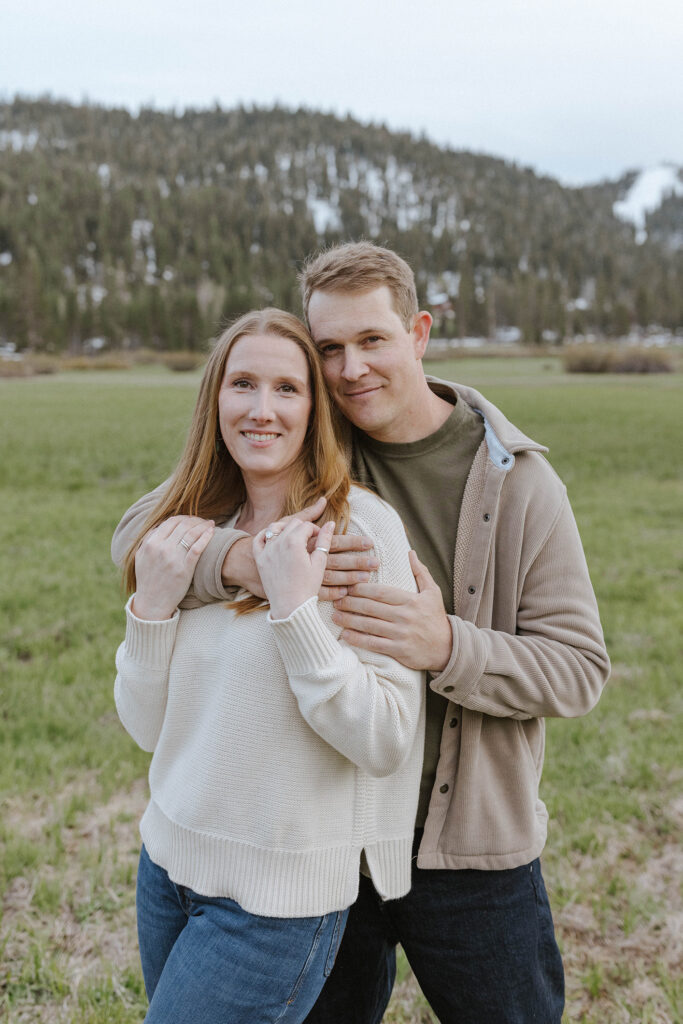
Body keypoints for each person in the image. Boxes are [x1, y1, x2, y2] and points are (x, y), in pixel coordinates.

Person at [112, 244, 610, 1024]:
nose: (349, 370)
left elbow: (578, 668)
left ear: (417, 332)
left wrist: (442, 644)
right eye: (329, 350)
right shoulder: (311, 444)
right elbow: (143, 535)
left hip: (461, 841)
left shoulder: (516, 483)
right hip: (324, 833)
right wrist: (249, 560)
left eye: (371, 341)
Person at [113, 307, 425, 1024]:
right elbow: (146, 728)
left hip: (274, 904)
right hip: (165, 871)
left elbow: (383, 738)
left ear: (315, 409)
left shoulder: (359, 532)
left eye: (286, 389)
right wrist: (152, 608)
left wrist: (293, 615)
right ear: (213, 399)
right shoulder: (193, 529)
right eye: (242, 384)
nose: (261, 409)